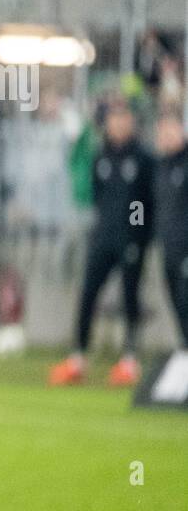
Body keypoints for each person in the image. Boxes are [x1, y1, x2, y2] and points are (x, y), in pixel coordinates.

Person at [50, 95, 156, 385]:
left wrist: (139, 233)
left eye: (123, 118)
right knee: (87, 294)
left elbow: (149, 201)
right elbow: (96, 196)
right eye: (113, 118)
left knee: (129, 296)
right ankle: (78, 358)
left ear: (132, 122)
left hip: (132, 239)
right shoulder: (102, 156)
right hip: (103, 237)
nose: (118, 124)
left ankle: (129, 360)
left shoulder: (143, 158)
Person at [155, 106, 188, 348]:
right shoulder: (159, 167)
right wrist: (136, 229)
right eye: (162, 132)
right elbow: (140, 204)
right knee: (176, 301)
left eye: (170, 131)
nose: (166, 137)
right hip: (167, 247)